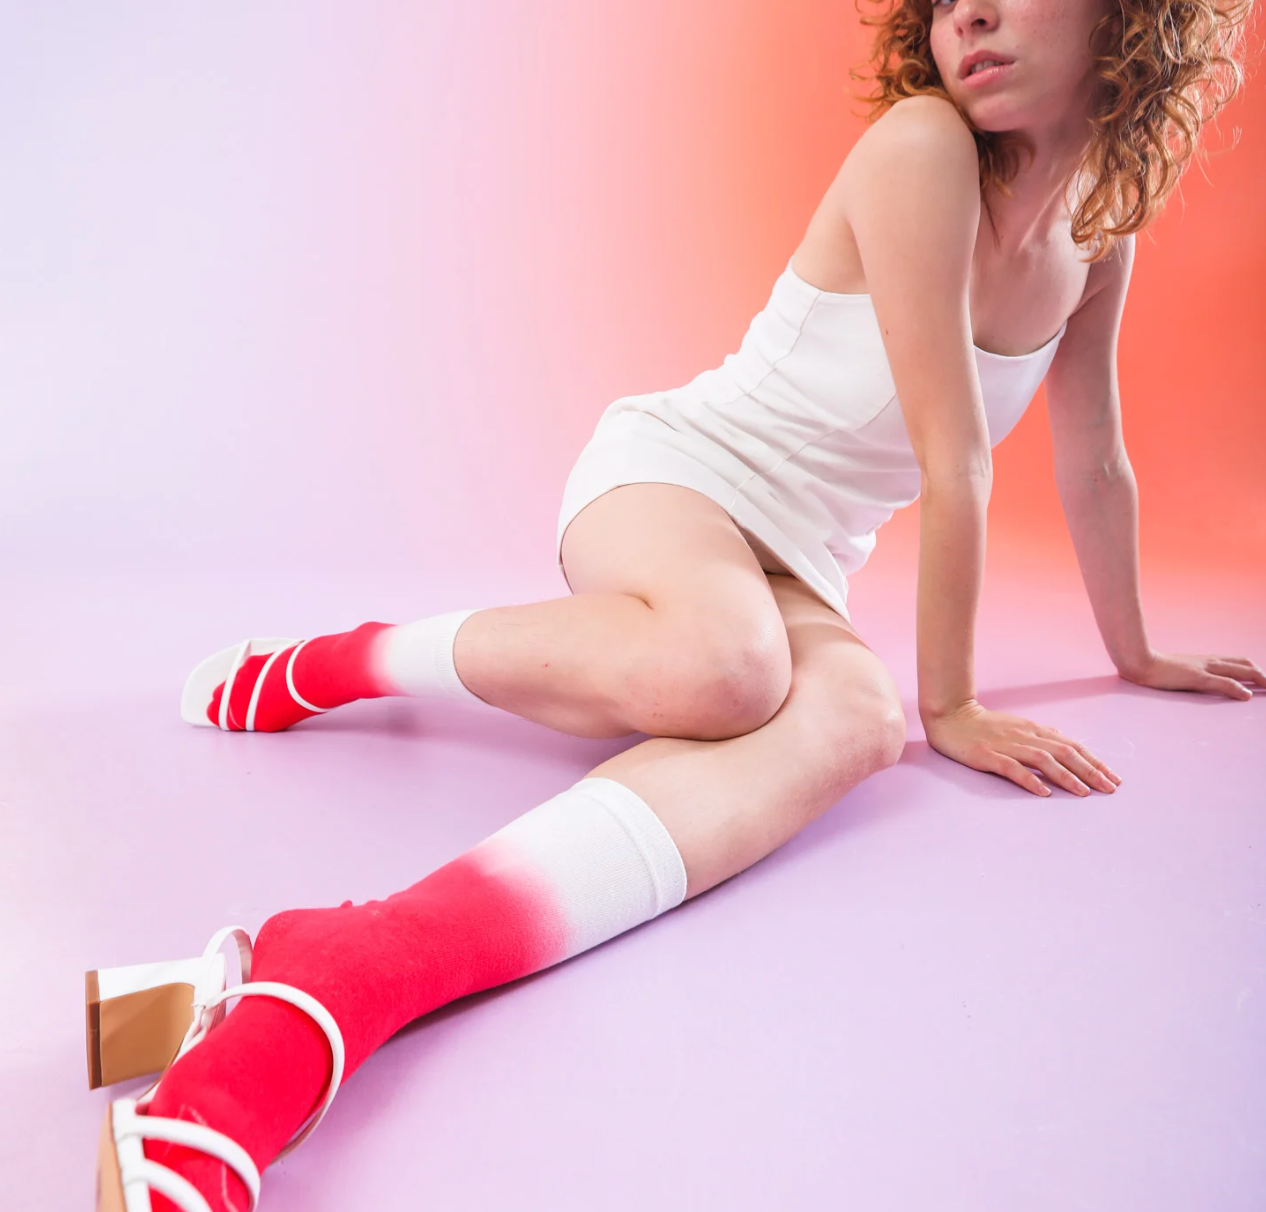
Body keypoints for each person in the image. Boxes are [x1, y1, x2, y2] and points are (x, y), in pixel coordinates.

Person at [89, 2, 1263, 1209]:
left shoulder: (1097, 234)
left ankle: (349, 963)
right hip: (678, 476)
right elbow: (954, 458)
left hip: (795, 564)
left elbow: (1095, 458)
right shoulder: (923, 148)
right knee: (731, 666)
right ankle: (349, 662)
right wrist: (954, 707)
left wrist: (1139, 652)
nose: (970, 12)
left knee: (859, 718)